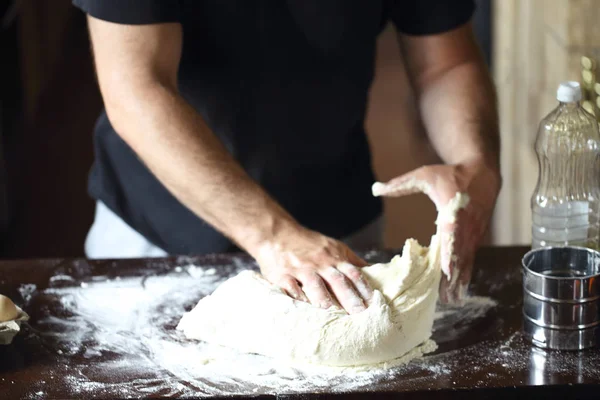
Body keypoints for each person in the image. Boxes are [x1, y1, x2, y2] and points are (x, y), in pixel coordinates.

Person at [73, 0, 501, 313]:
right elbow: (135, 88)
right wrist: (272, 236)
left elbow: (444, 64)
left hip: (337, 233)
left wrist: (474, 162)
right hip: (159, 233)